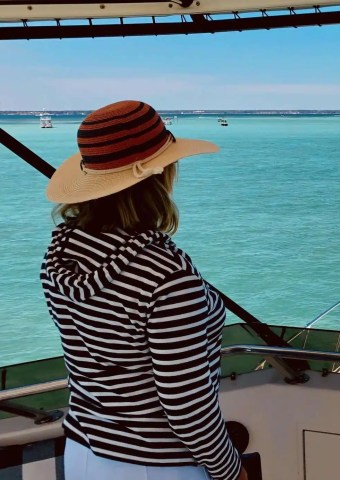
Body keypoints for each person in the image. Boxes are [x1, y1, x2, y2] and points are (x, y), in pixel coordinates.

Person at [40, 100, 248, 480]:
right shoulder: (165, 275)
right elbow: (187, 408)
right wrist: (231, 470)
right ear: (161, 173)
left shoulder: (61, 254)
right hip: (157, 465)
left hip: (83, 452)